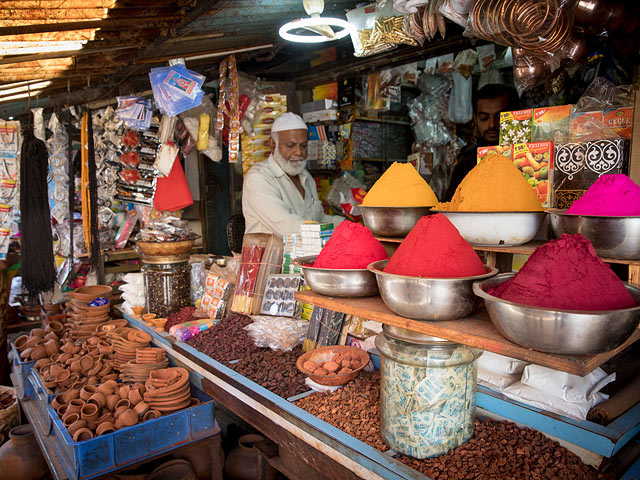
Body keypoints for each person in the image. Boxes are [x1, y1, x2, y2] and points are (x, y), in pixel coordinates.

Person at [242, 112, 345, 237]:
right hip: (268, 256)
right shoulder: (258, 178)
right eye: (290, 146)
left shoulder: (306, 177)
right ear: (273, 145)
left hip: (305, 254)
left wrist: (348, 226)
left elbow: (318, 218)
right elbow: (288, 227)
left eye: (303, 146)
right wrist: (335, 233)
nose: (299, 152)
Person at [443, 84, 519, 200]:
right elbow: (451, 204)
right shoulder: (468, 159)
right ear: (475, 119)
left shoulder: (531, 154)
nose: (492, 124)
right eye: (484, 118)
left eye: (500, 117)